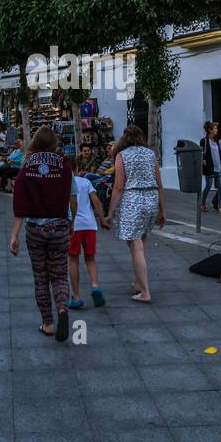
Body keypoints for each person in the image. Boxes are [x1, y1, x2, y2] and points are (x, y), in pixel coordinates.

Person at [10, 126, 74, 340]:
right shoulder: (64, 164)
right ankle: (63, 308)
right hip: (59, 225)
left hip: (35, 226)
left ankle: (47, 323)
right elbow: (71, 194)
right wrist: (71, 221)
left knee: (41, 278)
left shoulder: (27, 163)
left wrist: (14, 235)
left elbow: (20, 197)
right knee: (59, 273)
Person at [100, 125, 165, 303]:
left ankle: (145, 292)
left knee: (135, 245)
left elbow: (119, 186)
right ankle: (138, 282)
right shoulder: (150, 154)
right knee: (141, 242)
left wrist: (110, 212)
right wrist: (162, 209)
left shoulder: (122, 155)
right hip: (151, 198)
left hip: (133, 199)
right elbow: (159, 183)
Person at [67, 171, 106, 310]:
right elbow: (96, 201)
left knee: (73, 260)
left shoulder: (63, 182)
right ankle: (95, 286)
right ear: (76, 167)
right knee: (90, 258)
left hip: (73, 226)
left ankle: (76, 297)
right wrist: (102, 219)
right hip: (89, 225)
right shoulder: (86, 182)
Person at [200, 120, 221, 213]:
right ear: (210, 130)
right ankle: (202, 203)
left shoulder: (216, 140)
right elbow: (201, 153)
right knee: (208, 186)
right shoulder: (204, 140)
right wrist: (204, 161)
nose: (217, 130)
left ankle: (220, 206)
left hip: (219, 167)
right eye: (215, 128)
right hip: (210, 168)